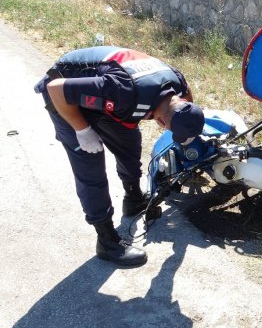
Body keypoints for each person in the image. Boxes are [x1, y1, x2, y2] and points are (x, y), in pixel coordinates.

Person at [34, 46, 205, 267]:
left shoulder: (178, 85)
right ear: (162, 123)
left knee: (130, 146)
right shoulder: (122, 91)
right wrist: (82, 130)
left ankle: (133, 199)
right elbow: (56, 89)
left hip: (105, 94)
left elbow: (187, 97)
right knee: (90, 164)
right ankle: (106, 240)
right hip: (64, 92)